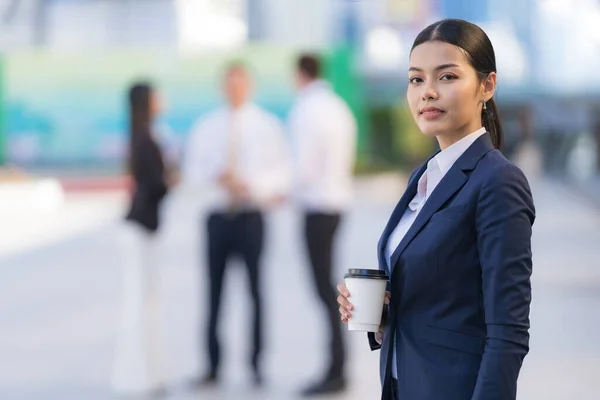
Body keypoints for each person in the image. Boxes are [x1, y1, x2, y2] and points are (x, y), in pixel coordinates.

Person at [336, 19, 535, 400]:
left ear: (487, 86)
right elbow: (442, 302)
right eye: (416, 80)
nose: (427, 93)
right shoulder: (425, 177)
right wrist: (377, 314)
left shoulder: (497, 181)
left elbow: (508, 331)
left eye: (446, 77)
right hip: (403, 385)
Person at [183, 63, 290, 387]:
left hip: (250, 217)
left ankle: (257, 365)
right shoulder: (207, 126)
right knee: (214, 294)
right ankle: (213, 365)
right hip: (218, 217)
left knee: (256, 292)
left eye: (240, 84)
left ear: (249, 86)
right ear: (223, 87)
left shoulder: (266, 125)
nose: (235, 90)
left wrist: (251, 186)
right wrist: (217, 177)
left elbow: (282, 172)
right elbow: (191, 172)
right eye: (230, 84)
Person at [288, 54, 357, 396]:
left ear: (300, 74)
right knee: (328, 287)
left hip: (316, 207)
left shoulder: (307, 109)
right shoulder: (337, 106)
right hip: (336, 204)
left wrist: (272, 190)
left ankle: (337, 368)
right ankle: (338, 365)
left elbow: (304, 169)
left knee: (324, 290)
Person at [112, 82, 173, 397]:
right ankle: (137, 375)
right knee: (139, 304)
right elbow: (155, 186)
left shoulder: (142, 136)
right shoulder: (145, 138)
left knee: (145, 303)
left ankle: (145, 373)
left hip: (142, 229)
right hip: (139, 230)